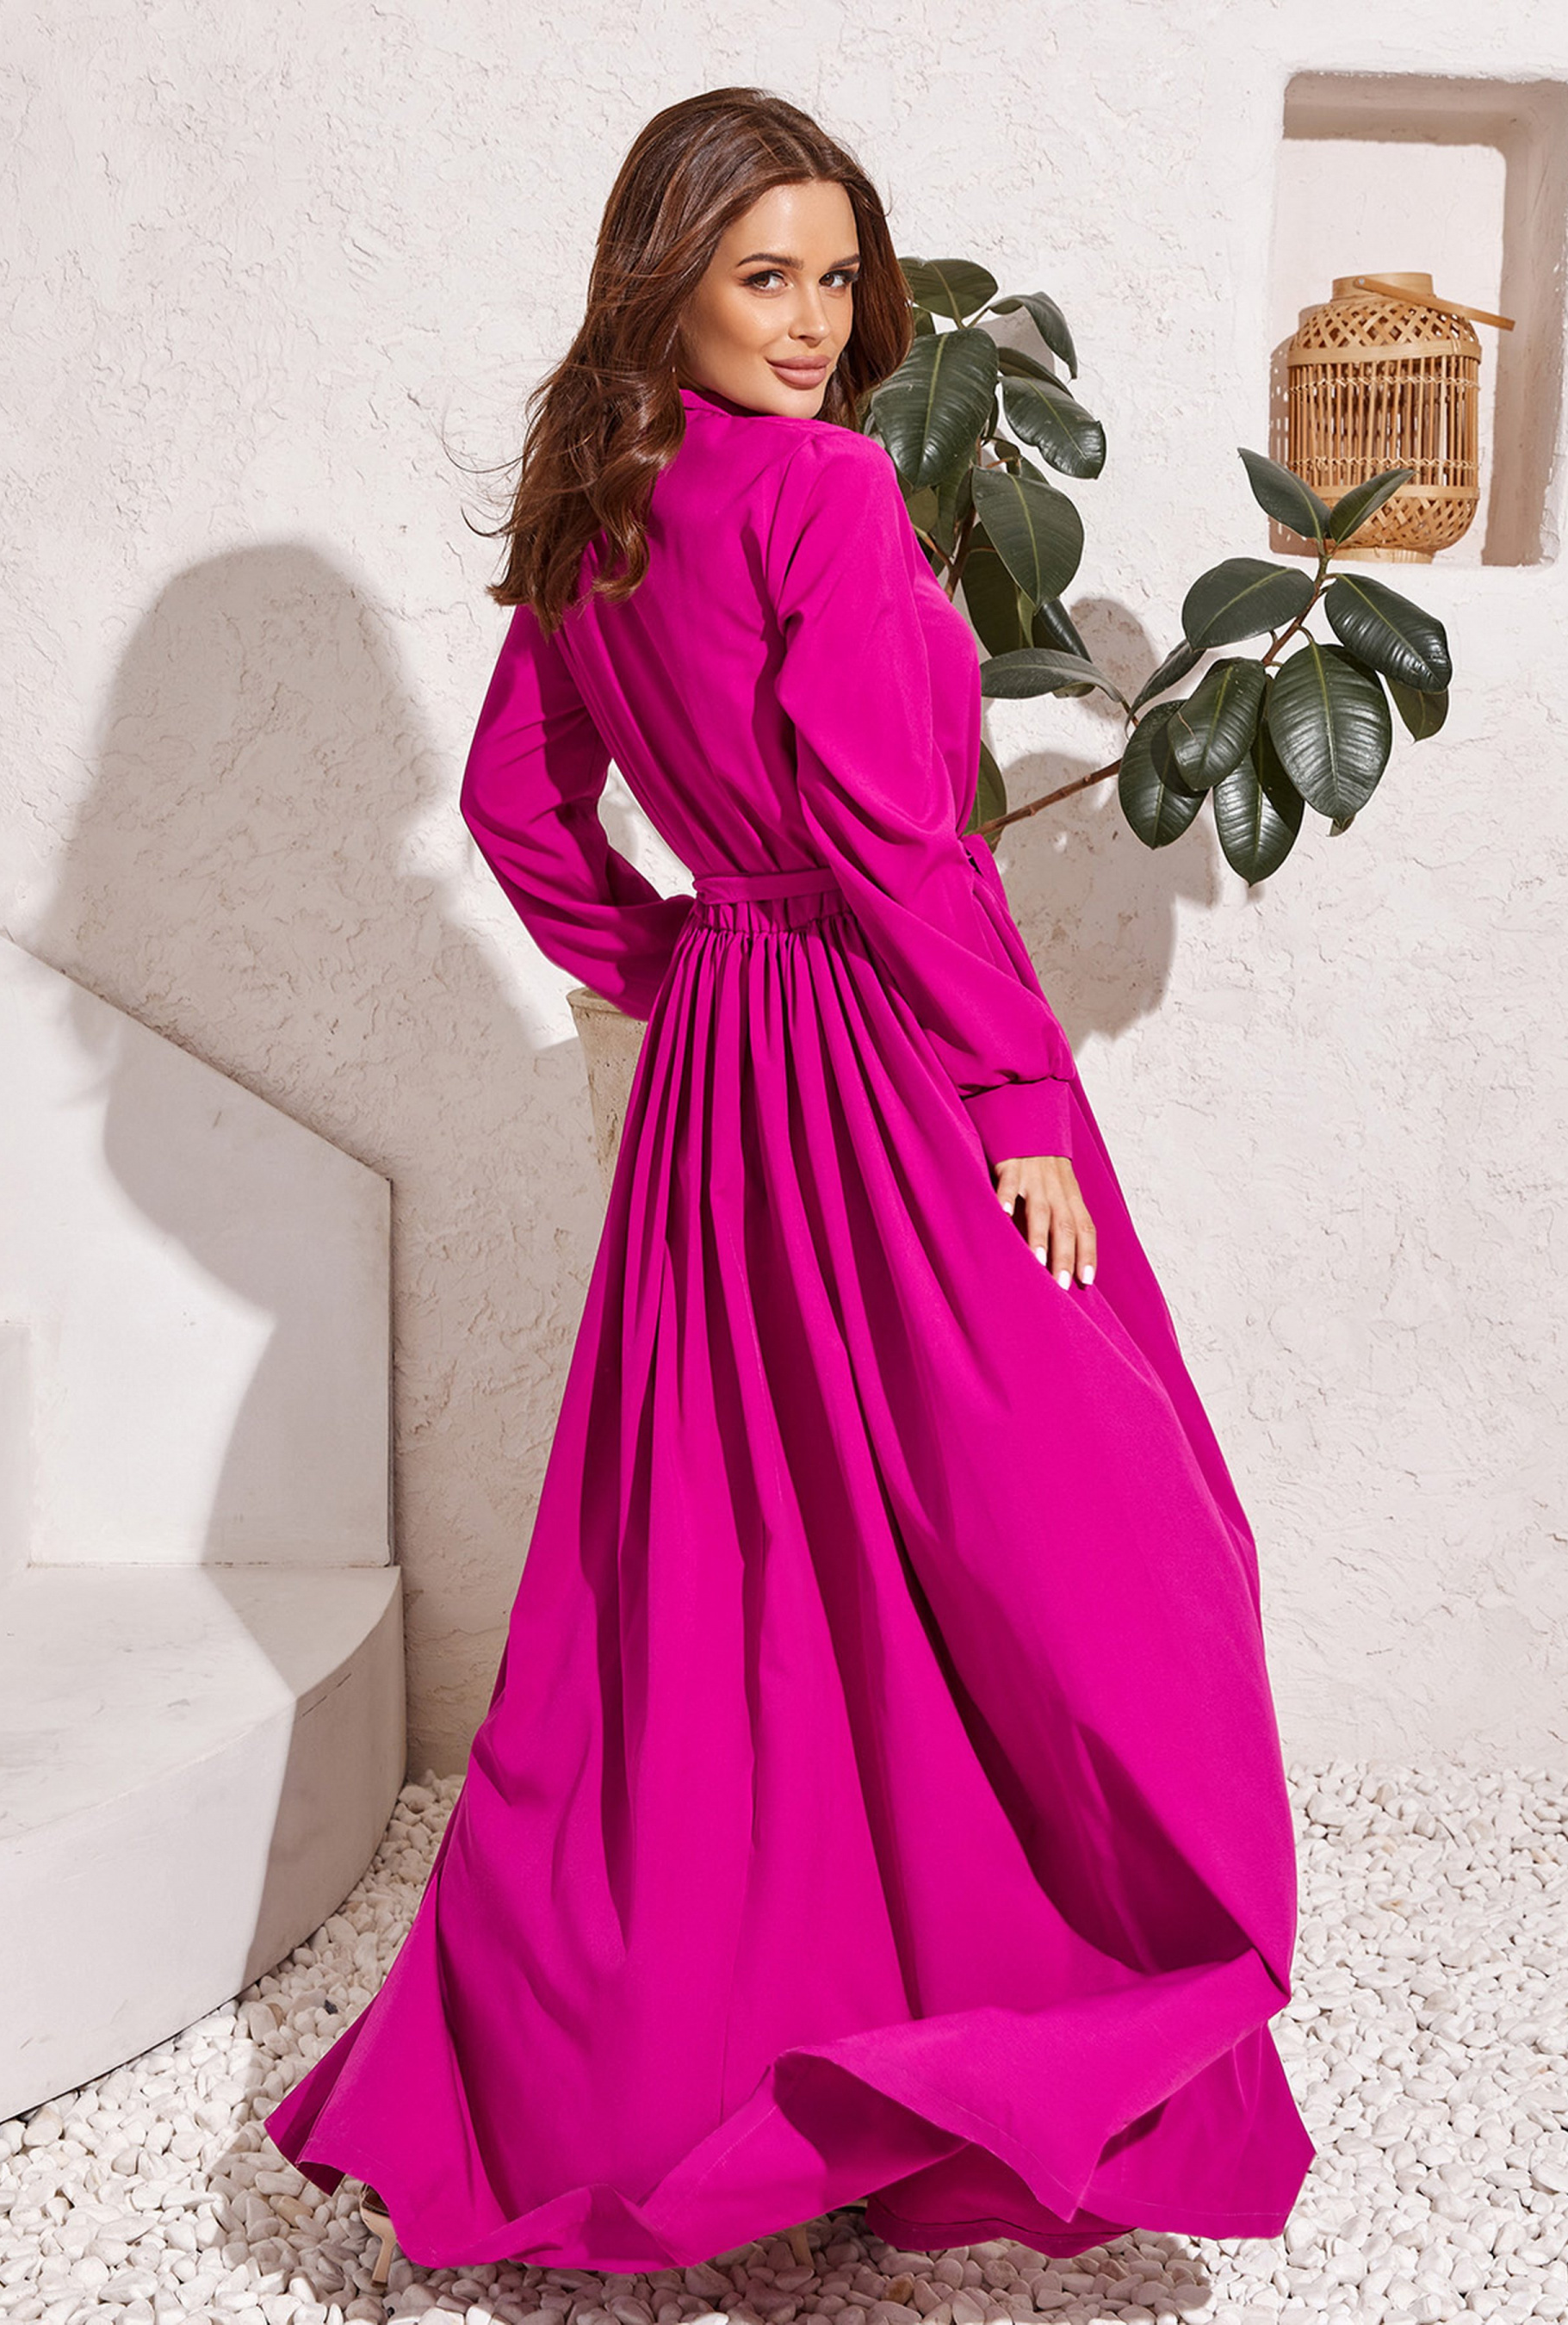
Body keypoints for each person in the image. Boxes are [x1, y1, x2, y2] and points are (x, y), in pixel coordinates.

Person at [264, 84, 1315, 2284]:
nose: (818, 322)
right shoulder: (826, 494)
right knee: (1084, 1526)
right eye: (765, 277)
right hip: (883, 1057)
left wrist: (674, 959)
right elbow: (890, 835)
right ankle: (1026, 2022)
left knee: (739, 1556)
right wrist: (1013, 1093)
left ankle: (698, 2051)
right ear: (663, 283)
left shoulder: (599, 499)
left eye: (838, 278)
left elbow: (518, 802)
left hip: (723, 1075)